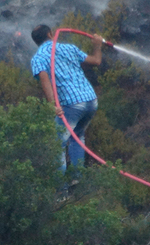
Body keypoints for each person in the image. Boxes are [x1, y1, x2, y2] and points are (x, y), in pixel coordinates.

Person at [29, 24, 103, 173]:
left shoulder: (38, 58)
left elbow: (45, 80)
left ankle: (61, 192)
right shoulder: (69, 48)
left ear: (35, 42)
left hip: (71, 105)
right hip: (91, 100)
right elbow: (96, 61)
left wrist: (53, 105)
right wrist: (97, 45)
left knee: (57, 145)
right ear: (50, 34)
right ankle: (77, 179)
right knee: (77, 137)